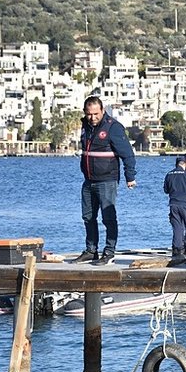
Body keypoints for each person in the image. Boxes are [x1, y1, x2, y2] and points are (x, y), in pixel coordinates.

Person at [73, 96, 136, 265]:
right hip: (88, 180)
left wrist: (130, 176)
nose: (92, 117)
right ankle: (91, 250)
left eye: (96, 114)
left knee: (108, 218)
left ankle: (109, 252)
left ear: (103, 110)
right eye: (89, 114)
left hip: (107, 180)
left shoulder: (113, 127)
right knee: (88, 217)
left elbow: (128, 154)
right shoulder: (85, 126)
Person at [164, 156, 186, 264]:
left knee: (177, 228)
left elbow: (166, 190)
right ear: (184, 164)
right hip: (185, 204)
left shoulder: (169, 174)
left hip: (173, 204)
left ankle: (176, 250)